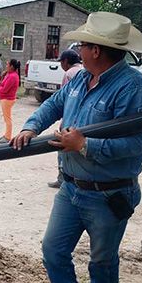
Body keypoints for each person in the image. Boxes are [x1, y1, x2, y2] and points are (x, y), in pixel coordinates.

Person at [10, 12, 142, 283]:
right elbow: (54, 105)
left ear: (97, 50)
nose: (78, 48)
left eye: (83, 44)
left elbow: (136, 143)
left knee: (102, 260)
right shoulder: (80, 79)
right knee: (53, 249)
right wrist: (30, 126)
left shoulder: (136, 89)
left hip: (109, 193)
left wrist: (84, 145)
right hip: (72, 187)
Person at [48, 49, 84, 188]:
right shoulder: (82, 71)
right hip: (81, 124)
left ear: (65, 62)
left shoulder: (69, 74)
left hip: (70, 123)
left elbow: (64, 100)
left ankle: (62, 178)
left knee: (62, 147)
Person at [0, 59, 20, 144]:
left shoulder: (13, 76)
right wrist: (2, 78)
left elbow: (4, 89)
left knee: (7, 119)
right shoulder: (9, 74)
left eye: (7, 65)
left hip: (7, 99)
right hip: (5, 99)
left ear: (12, 66)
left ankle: (7, 137)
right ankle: (6, 135)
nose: (6, 66)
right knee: (7, 118)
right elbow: (3, 84)